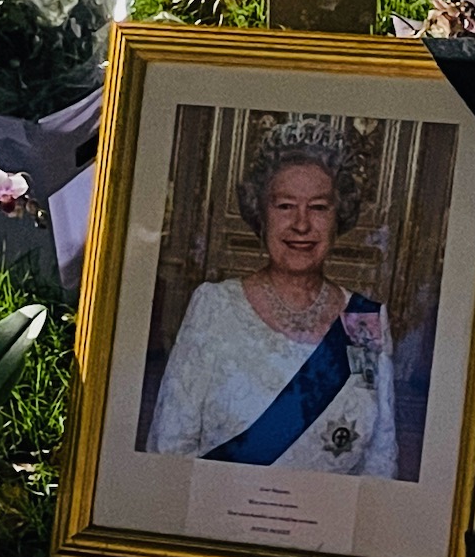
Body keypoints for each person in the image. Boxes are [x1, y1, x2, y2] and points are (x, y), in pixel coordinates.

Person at [146, 118, 398, 478]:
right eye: (284, 206)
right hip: (222, 519)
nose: (301, 224)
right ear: (259, 213)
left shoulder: (365, 320)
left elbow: (380, 456)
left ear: (338, 216)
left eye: (319, 207)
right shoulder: (215, 307)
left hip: (327, 527)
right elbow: (171, 446)